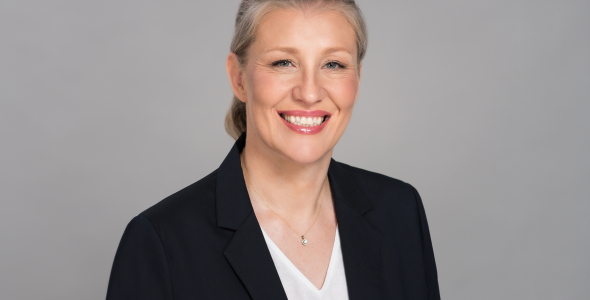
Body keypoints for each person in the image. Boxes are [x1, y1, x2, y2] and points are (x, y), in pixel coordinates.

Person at [106, 0, 440, 299]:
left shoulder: (400, 212)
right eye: (283, 63)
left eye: (333, 65)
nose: (309, 93)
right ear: (239, 78)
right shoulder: (161, 243)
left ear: (358, 77)